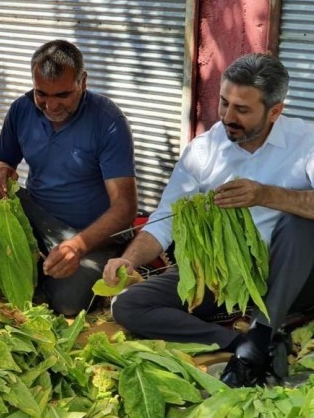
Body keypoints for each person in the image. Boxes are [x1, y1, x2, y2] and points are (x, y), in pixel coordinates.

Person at [103, 53, 314, 388]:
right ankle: (243, 343)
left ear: (275, 111)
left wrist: (266, 195)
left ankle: (258, 336)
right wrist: (128, 260)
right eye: (224, 103)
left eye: (242, 110)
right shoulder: (204, 150)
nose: (228, 116)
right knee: (128, 306)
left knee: (301, 223)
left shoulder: (307, 142)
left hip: (294, 278)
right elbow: (164, 220)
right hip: (227, 278)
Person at [0, 39, 138, 316]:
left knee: (67, 304)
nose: (51, 106)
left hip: (90, 235)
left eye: (62, 96)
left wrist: (77, 246)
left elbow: (125, 208)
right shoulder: (22, 108)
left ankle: (39, 283)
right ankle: (21, 273)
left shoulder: (108, 121)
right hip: (39, 221)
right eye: (42, 94)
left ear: (83, 82)